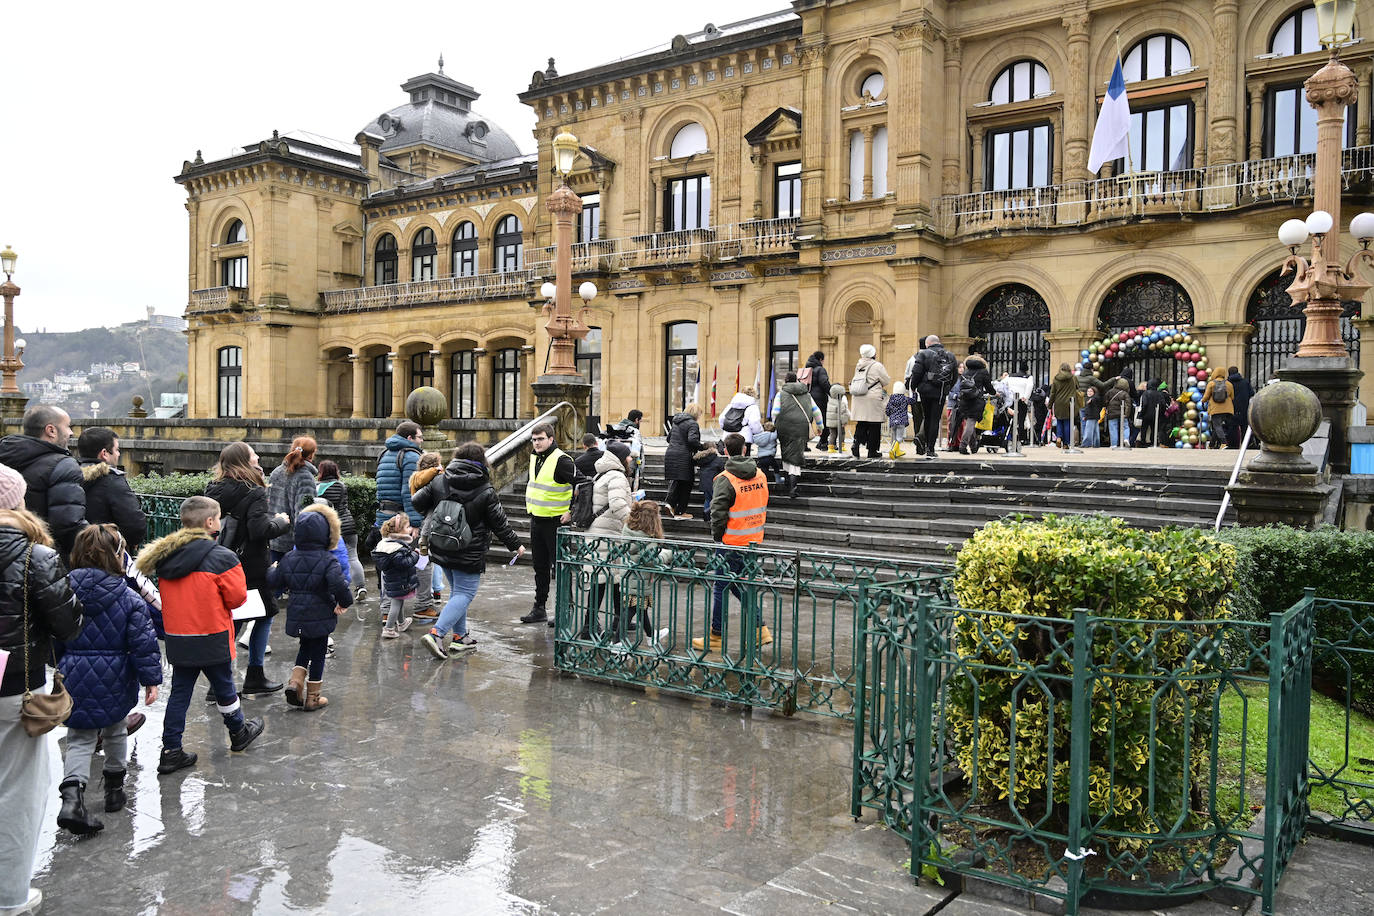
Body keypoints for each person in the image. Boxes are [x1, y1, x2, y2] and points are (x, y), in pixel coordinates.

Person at [0, 464, 83, 914]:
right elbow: (69, 626)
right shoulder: (34, 555)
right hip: (15, 689)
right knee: (17, 792)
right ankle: (10, 897)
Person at [135, 495, 264, 776]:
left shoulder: (165, 557)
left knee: (180, 692)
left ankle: (170, 750)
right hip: (213, 633)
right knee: (224, 687)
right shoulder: (222, 557)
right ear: (210, 523)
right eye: (217, 518)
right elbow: (237, 598)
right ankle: (238, 730)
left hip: (178, 636)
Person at [55, 524, 161, 834]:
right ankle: (115, 791)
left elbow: (56, 636)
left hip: (74, 670)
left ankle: (72, 798)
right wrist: (150, 679)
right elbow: (142, 641)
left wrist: (61, 663)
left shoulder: (63, 590)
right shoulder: (128, 596)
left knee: (79, 738)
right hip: (116, 673)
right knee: (116, 730)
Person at [413, 442, 525, 658]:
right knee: (465, 593)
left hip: (442, 546)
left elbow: (417, 501)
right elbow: (499, 523)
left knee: (457, 593)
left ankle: (460, 637)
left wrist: (440, 511)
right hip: (468, 550)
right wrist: (515, 545)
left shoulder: (440, 480)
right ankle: (437, 634)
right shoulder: (485, 489)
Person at [204, 443, 290, 696]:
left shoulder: (213, 489)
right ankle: (254, 675)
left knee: (232, 621)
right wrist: (281, 522)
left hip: (219, 562)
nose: (258, 457)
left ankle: (218, 683)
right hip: (250, 566)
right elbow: (260, 531)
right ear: (243, 461)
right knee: (264, 614)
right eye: (253, 455)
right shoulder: (253, 490)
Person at [267, 504, 353, 710]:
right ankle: (313, 697)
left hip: (297, 610)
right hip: (321, 611)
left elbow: (274, 582)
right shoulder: (327, 559)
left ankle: (295, 683)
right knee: (319, 651)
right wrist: (344, 602)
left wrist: (272, 569)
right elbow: (338, 584)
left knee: (305, 646)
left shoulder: (289, 558)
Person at [693, 433, 770, 653]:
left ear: (725, 451)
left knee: (721, 586)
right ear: (745, 450)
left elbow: (717, 513)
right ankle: (759, 629)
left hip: (731, 541)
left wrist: (718, 538)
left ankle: (716, 635)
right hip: (753, 540)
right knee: (735, 584)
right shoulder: (761, 476)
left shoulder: (725, 479)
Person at [0, 405, 88, 560]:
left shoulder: (5, 454)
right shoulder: (64, 465)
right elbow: (68, 525)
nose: (71, 432)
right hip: (44, 560)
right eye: (68, 426)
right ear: (51, 430)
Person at [519, 422, 574, 625]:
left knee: (560, 568)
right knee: (540, 567)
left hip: (556, 523)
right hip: (537, 520)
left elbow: (584, 483)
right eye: (534, 440)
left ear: (551, 439)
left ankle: (564, 611)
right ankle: (539, 608)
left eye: (540, 439)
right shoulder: (535, 458)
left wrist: (572, 511)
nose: (537, 443)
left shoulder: (562, 460)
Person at [76, 427, 146, 549]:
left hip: (74, 550)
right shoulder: (112, 481)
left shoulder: (67, 476)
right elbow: (134, 524)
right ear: (104, 454)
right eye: (117, 450)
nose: (118, 454)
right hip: (106, 552)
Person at [314, 460, 365, 597]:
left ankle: (336, 588)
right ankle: (360, 587)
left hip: (331, 527)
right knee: (353, 557)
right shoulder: (342, 485)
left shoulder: (317, 488)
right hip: (348, 524)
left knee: (330, 558)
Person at [267, 437, 318, 562]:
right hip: (293, 545)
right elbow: (305, 514)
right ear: (311, 455)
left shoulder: (276, 472)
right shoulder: (305, 477)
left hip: (273, 537)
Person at [908, 336, 958, 459]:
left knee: (927, 417)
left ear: (927, 343)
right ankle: (931, 449)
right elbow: (955, 375)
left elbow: (917, 372)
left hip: (925, 391)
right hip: (940, 392)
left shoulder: (923, 354)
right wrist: (947, 388)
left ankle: (924, 445)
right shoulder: (950, 355)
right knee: (935, 419)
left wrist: (913, 387)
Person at [371, 513, 419, 638]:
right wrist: (415, 555)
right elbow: (404, 563)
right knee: (396, 603)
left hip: (393, 579)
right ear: (400, 530)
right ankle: (389, 628)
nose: (410, 529)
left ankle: (402, 623)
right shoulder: (396, 548)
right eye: (407, 527)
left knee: (399, 600)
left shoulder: (387, 544)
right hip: (399, 580)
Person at [774, 372, 821, 496]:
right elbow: (816, 411)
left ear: (785, 380)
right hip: (801, 428)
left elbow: (775, 412)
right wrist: (820, 426)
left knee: (787, 451)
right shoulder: (807, 395)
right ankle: (791, 486)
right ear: (797, 380)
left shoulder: (780, 394)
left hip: (784, 427)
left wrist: (775, 425)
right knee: (796, 453)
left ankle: (790, 486)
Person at [409, 452, 446, 604]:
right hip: (430, 520)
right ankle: (432, 592)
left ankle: (429, 590)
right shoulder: (430, 477)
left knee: (426, 559)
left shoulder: (417, 477)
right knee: (431, 558)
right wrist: (438, 470)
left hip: (421, 517)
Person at [850, 344, 891, 459]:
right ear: (873, 354)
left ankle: (856, 443)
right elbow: (886, 380)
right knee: (874, 425)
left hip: (859, 397)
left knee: (861, 423)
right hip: (873, 398)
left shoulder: (859, 365)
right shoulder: (877, 365)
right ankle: (872, 451)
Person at [662, 403, 703, 518]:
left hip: (670, 454)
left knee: (678, 481)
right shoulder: (693, 424)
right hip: (683, 456)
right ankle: (680, 511)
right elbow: (692, 440)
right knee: (686, 484)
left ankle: (671, 505)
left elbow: (668, 438)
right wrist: (703, 447)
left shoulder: (676, 422)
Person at [956, 356, 996, 455]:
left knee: (970, 423)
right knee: (971, 422)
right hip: (976, 400)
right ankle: (963, 445)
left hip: (964, 400)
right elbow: (989, 387)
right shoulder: (983, 372)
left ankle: (973, 446)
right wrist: (994, 392)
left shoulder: (966, 371)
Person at [720, 387, 764, 454]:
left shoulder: (731, 405)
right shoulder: (753, 407)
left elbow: (721, 419)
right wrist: (760, 432)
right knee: (743, 461)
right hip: (744, 438)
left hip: (728, 437)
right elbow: (754, 423)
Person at [802, 351, 832, 449]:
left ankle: (803, 444)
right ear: (820, 359)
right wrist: (831, 392)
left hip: (806, 397)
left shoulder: (806, 369)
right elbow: (824, 383)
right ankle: (823, 442)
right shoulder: (820, 369)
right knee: (822, 420)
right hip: (819, 399)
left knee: (807, 421)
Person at [1203, 371, 1236, 449]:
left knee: (1217, 426)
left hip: (1215, 408)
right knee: (1217, 426)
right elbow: (1232, 397)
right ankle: (1211, 444)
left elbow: (1206, 396)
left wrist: (1203, 401)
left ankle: (1224, 443)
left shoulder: (1211, 383)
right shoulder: (1229, 384)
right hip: (1227, 409)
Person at [1005, 362, 1035, 446]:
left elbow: (1004, 384)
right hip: (1021, 400)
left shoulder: (1010, 376)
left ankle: (1010, 435)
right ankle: (1021, 438)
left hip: (1011, 399)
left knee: (1011, 419)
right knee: (1021, 420)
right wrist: (1025, 397)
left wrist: (1007, 395)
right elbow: (1030, 387)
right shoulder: (1029, 377)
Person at [1049, 364, 1078, 449]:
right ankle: (1066, 443)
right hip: (1070, 403)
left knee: (1059, 422)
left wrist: (1050, 405)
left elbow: (1053, 393)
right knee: (1068, 423)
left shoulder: (1056, 378)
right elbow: (1077, 388)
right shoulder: (1073, 378)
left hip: (1058, 402)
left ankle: (1058, 437)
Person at [1137, 378, 1172, 447]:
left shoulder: (1146, 393)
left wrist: (1141, 413)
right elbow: (1163, 404)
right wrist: (1161, 413)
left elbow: (1144, 404)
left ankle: (1143, 442)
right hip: (1155, 414)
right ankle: (1153, 442)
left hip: (1146, 414)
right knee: (1154, 429)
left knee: (1144, 429)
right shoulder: (1159, 394)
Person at [696, 440, 725, 520]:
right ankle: (714, 517)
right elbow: (722, 470)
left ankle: (706, 516)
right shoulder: (716, 458)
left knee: (708, 500)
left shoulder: (702, 458)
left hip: (704, 484)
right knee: (715, 500)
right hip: (714, 483)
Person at [1228, 367, 1254, 445]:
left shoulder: (1228, 383)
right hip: (1244, 407)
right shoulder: (1245, 382)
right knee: (1245, 426)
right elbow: (1252, 393)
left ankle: (1233, 445)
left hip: (1231, 407)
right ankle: (1247, 444)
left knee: (1232, 427)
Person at [1104, 377, 1134, 447]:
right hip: (1122, 413)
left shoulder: (1110, 391)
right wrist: (1126, 414)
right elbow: (1128, 405)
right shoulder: (1125, 394)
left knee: (1113, 428)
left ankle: (1114, 444)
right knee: (1125, 427)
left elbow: (1105, 401)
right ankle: (1126, 439)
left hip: (1112, 413)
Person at [885, 382, 912, 458]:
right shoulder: (905, 399)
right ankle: (893, 450)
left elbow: (887, 410)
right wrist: (914, 394)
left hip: (893, 421)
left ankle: (897, 451)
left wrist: (889, 415)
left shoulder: (891, 399)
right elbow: (913, 401)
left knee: (894, 437)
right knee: (899, 438)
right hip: (901, 422)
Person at [824, 383, 851, 455]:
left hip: (830, 422)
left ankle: (831, 447)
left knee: (832, 434)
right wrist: (844, 422)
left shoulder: (829, 401)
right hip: (839, 423)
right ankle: (841, 446)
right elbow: (843, 414)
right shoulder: (841, 403)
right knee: (841, 434)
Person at [1081, 378, 1105, 448]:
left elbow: (1093, 400)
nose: (1089, 393)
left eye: (1091, 391)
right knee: (1095, 431)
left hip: (1091, 417)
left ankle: (1086, 443)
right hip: (1095, 416)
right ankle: (1096, 444)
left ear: (1094, 392)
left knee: (1088, 430)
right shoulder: (1095, 398)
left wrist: (1091, 400)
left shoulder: (1093, 398)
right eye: (1088, 391)